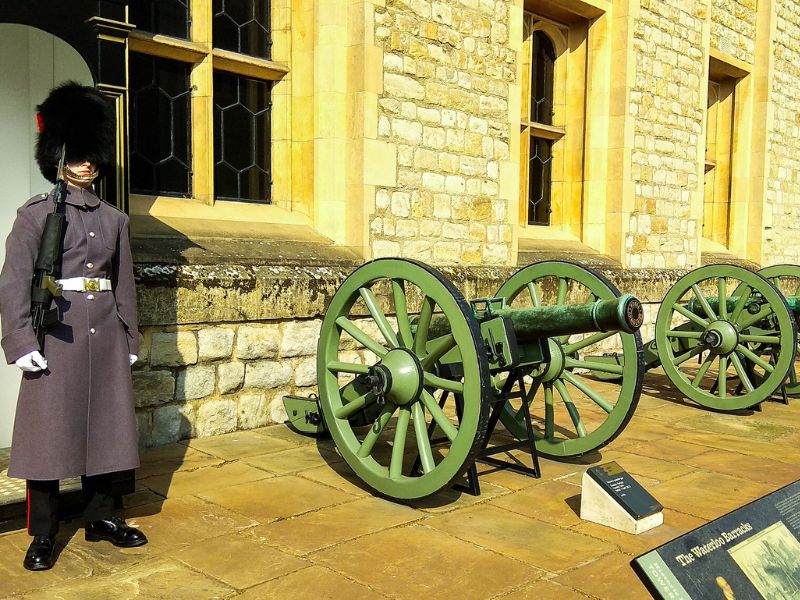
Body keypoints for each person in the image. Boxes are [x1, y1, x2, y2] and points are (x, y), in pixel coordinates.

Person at [0, 82, 146, 571]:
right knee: (46, 436)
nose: (87, 165)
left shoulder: (115, 220)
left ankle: (102, 516)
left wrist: (130, 337)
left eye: (92, 156)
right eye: (78, 155)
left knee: (107, 430)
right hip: (55, 336)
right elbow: (14, 283)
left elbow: (123, 284)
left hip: (104, 336)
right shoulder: (36, 216)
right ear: (60, 156)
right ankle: (43, 531)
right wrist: (20, 341)